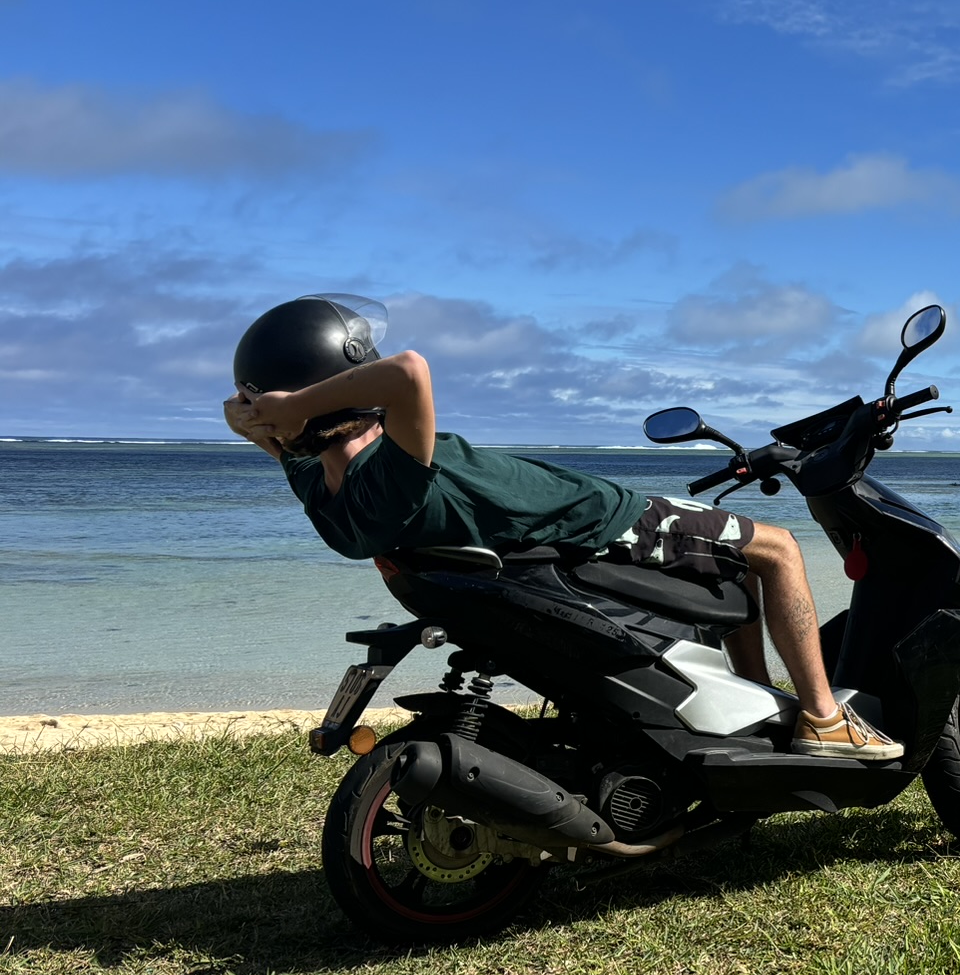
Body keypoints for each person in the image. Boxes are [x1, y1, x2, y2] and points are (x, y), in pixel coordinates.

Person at [222, 294, 900, 761]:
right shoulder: (396, 467)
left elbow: (290, 439)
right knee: (776, 549)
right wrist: (289, 404)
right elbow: (409, 372)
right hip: (606, 517)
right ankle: (822, 718)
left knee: (733, 562)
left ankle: (758, 703)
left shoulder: (320, 485)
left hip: (546, 542)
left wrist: (267, 418)